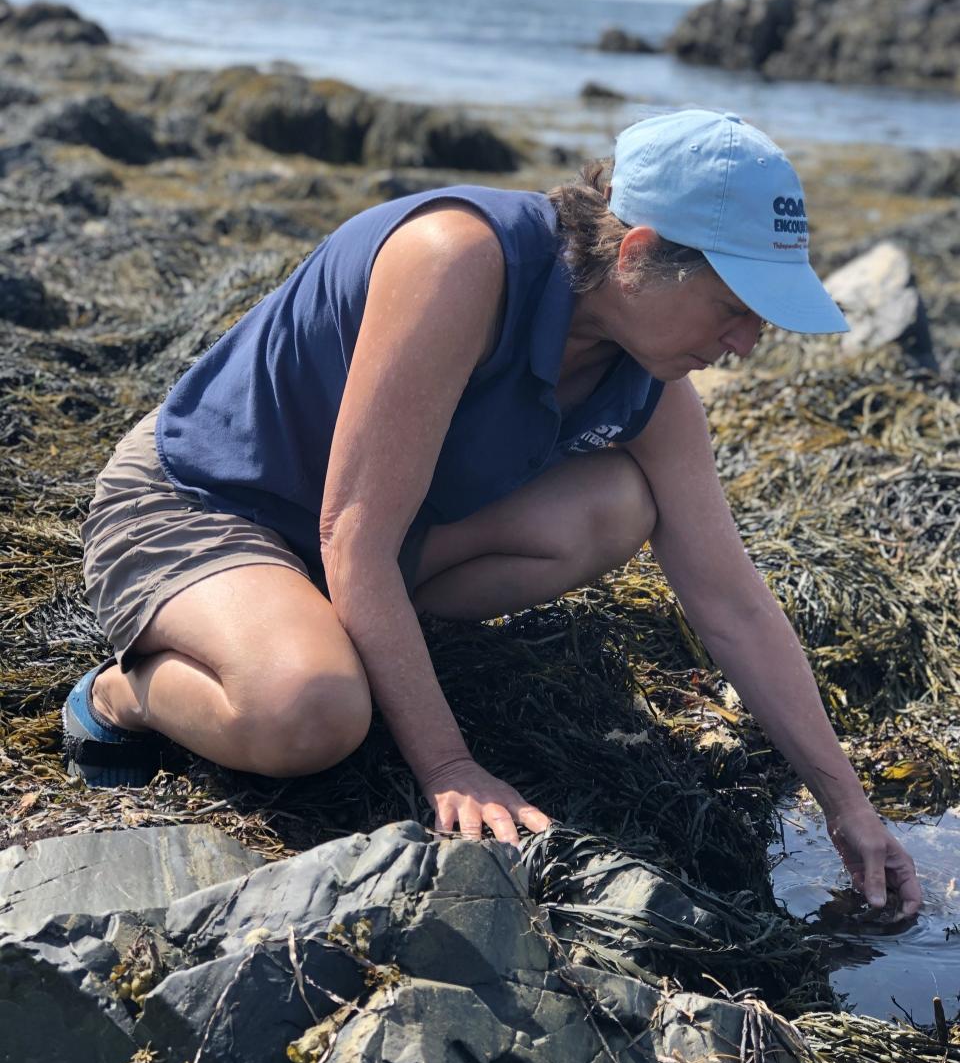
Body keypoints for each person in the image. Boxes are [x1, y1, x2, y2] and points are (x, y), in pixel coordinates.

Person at [63, 108, 922, 919]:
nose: (745, 343)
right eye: (737, 307)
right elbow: (352, 531)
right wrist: (449, 765)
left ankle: (320, 630)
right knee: (313, 713)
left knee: (618, 503)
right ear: (639, 254)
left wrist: (847, 806)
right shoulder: (457, 258)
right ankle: (120, 694)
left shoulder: (654, 383)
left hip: (361, 540)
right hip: (209, 501)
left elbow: (731, 602)